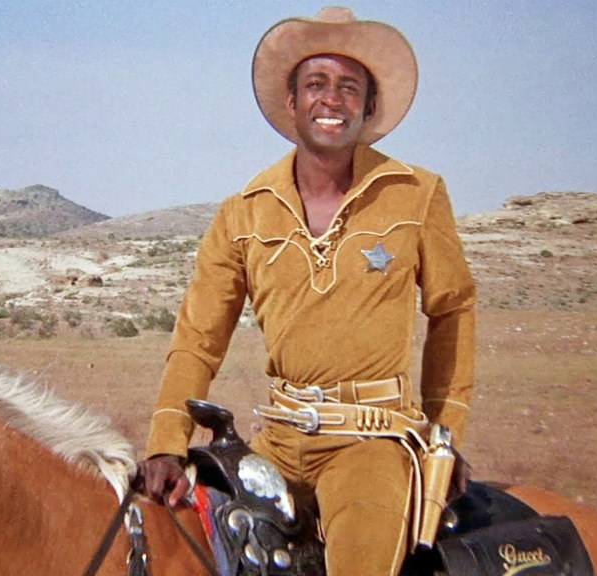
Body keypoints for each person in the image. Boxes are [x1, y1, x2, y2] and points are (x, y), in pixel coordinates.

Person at [135, 6, 476, 576]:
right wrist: (166, 441)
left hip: (371, 444)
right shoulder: (244, 211)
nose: (331, 99)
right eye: (316, 83)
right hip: (276, 441)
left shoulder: (415, 194)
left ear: (369, 106)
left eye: (349, 86)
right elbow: (199, 337)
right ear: (292, 101)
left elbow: (453, 310)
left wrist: (444, 435)